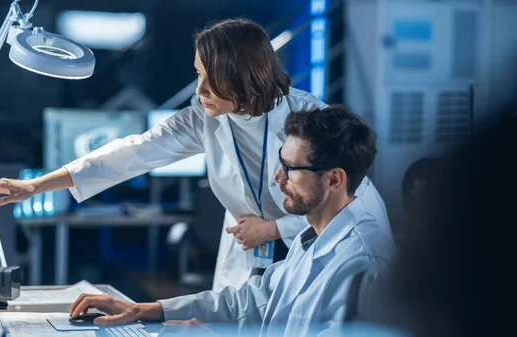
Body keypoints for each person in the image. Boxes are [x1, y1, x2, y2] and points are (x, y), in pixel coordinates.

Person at [0, 18, 390, 292]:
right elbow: (132, 153)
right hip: (249, 259)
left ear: (244, 80)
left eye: (211, 81)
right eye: (198, 76)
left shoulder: (311, 122)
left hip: (320, 253)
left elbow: (348, 204)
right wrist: (34, 185)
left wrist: (274, 230)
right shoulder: (204, 117)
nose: (199, 91)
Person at [68, 105, 395, 336]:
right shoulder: (310, 240)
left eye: (292, 169)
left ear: (335, 180)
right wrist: (143, 309)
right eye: (280, 163)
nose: (278, 177)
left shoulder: (366, 261)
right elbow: (250, 301)